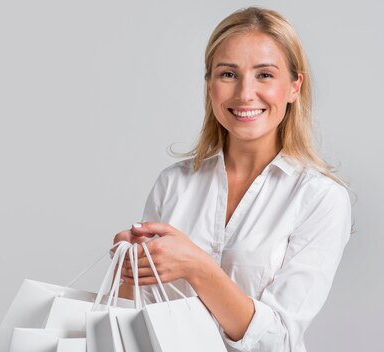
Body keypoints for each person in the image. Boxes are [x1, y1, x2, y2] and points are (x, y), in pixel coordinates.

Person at [113, 7, 352, 352]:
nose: (244, 94)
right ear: (209, 83)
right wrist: (130, 269)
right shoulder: (174, 184)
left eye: (265, 75)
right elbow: (142, 315)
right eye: (228, 74)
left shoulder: (320, 198)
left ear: (294, 86)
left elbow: (278, 341)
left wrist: (198, 268)